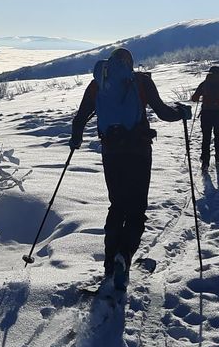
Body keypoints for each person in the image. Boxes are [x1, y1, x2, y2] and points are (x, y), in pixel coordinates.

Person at [69, 47, 189, 289]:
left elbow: (80, 117)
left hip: (111, 152)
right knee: (136, 209)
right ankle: (125, 255)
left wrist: (76, 139)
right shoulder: (141, 81)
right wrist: (181, 112)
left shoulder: (98, 83)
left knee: (117, 205)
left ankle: (110, 265)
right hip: (139, 151)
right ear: (130, 63)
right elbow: (163, 112)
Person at [190, 66, 219, 170]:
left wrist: (200, 97)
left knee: (206, 137)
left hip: (206, 113)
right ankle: (218, 159)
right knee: (218, 135)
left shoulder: (204, 84)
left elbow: (194, 98)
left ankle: (205, 161)